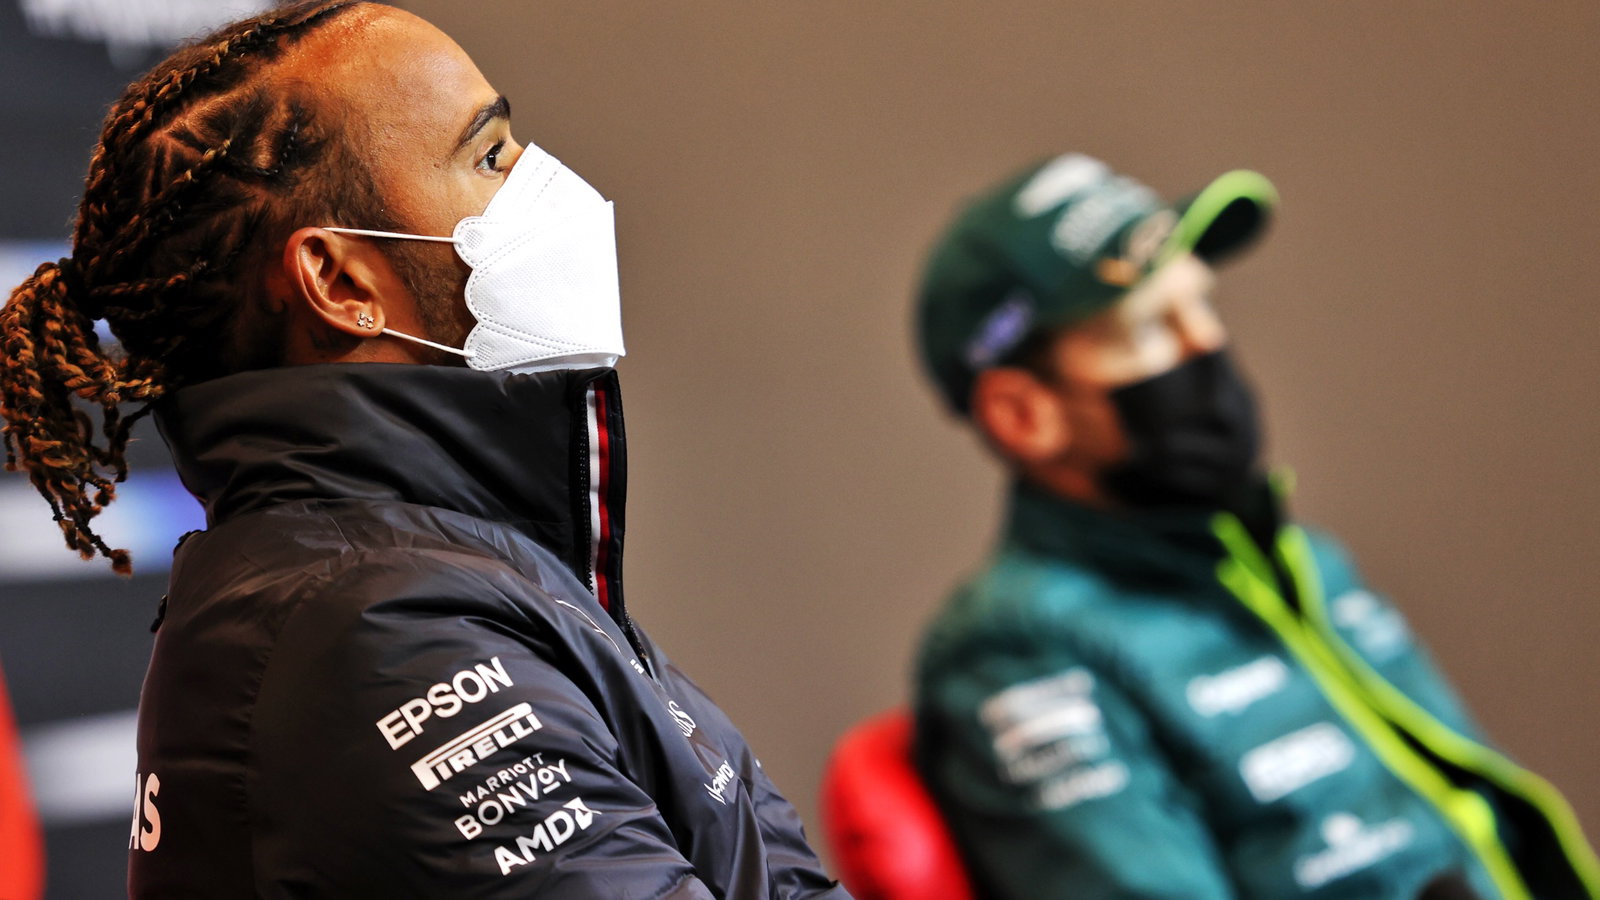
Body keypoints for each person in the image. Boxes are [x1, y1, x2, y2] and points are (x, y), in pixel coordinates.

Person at [0, 3, 848, 896]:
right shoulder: (378, 633)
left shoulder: (449, 575)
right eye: (489, 156)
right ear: (341, 281)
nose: (544, 182)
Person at [909, 153, 1599, 899]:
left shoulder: (1303, 562)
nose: (1205, 344)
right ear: (1023, 415)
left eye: (1203, 305)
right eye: (1150, 327)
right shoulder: (1020, 655)